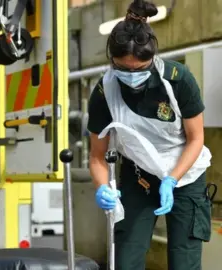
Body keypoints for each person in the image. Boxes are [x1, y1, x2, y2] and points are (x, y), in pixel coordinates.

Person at [87, 0, 212, 269]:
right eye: (123, 69)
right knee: (126, 258)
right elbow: (97, 156)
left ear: (152, 59)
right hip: (139, 176)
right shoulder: (104, 92)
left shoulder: (179, 80)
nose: (132, 75)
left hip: (185, 174)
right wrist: (102, 187)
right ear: (112, 61)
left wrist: (171, 180)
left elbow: (196, 139)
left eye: (140, 69)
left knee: (184, 259)